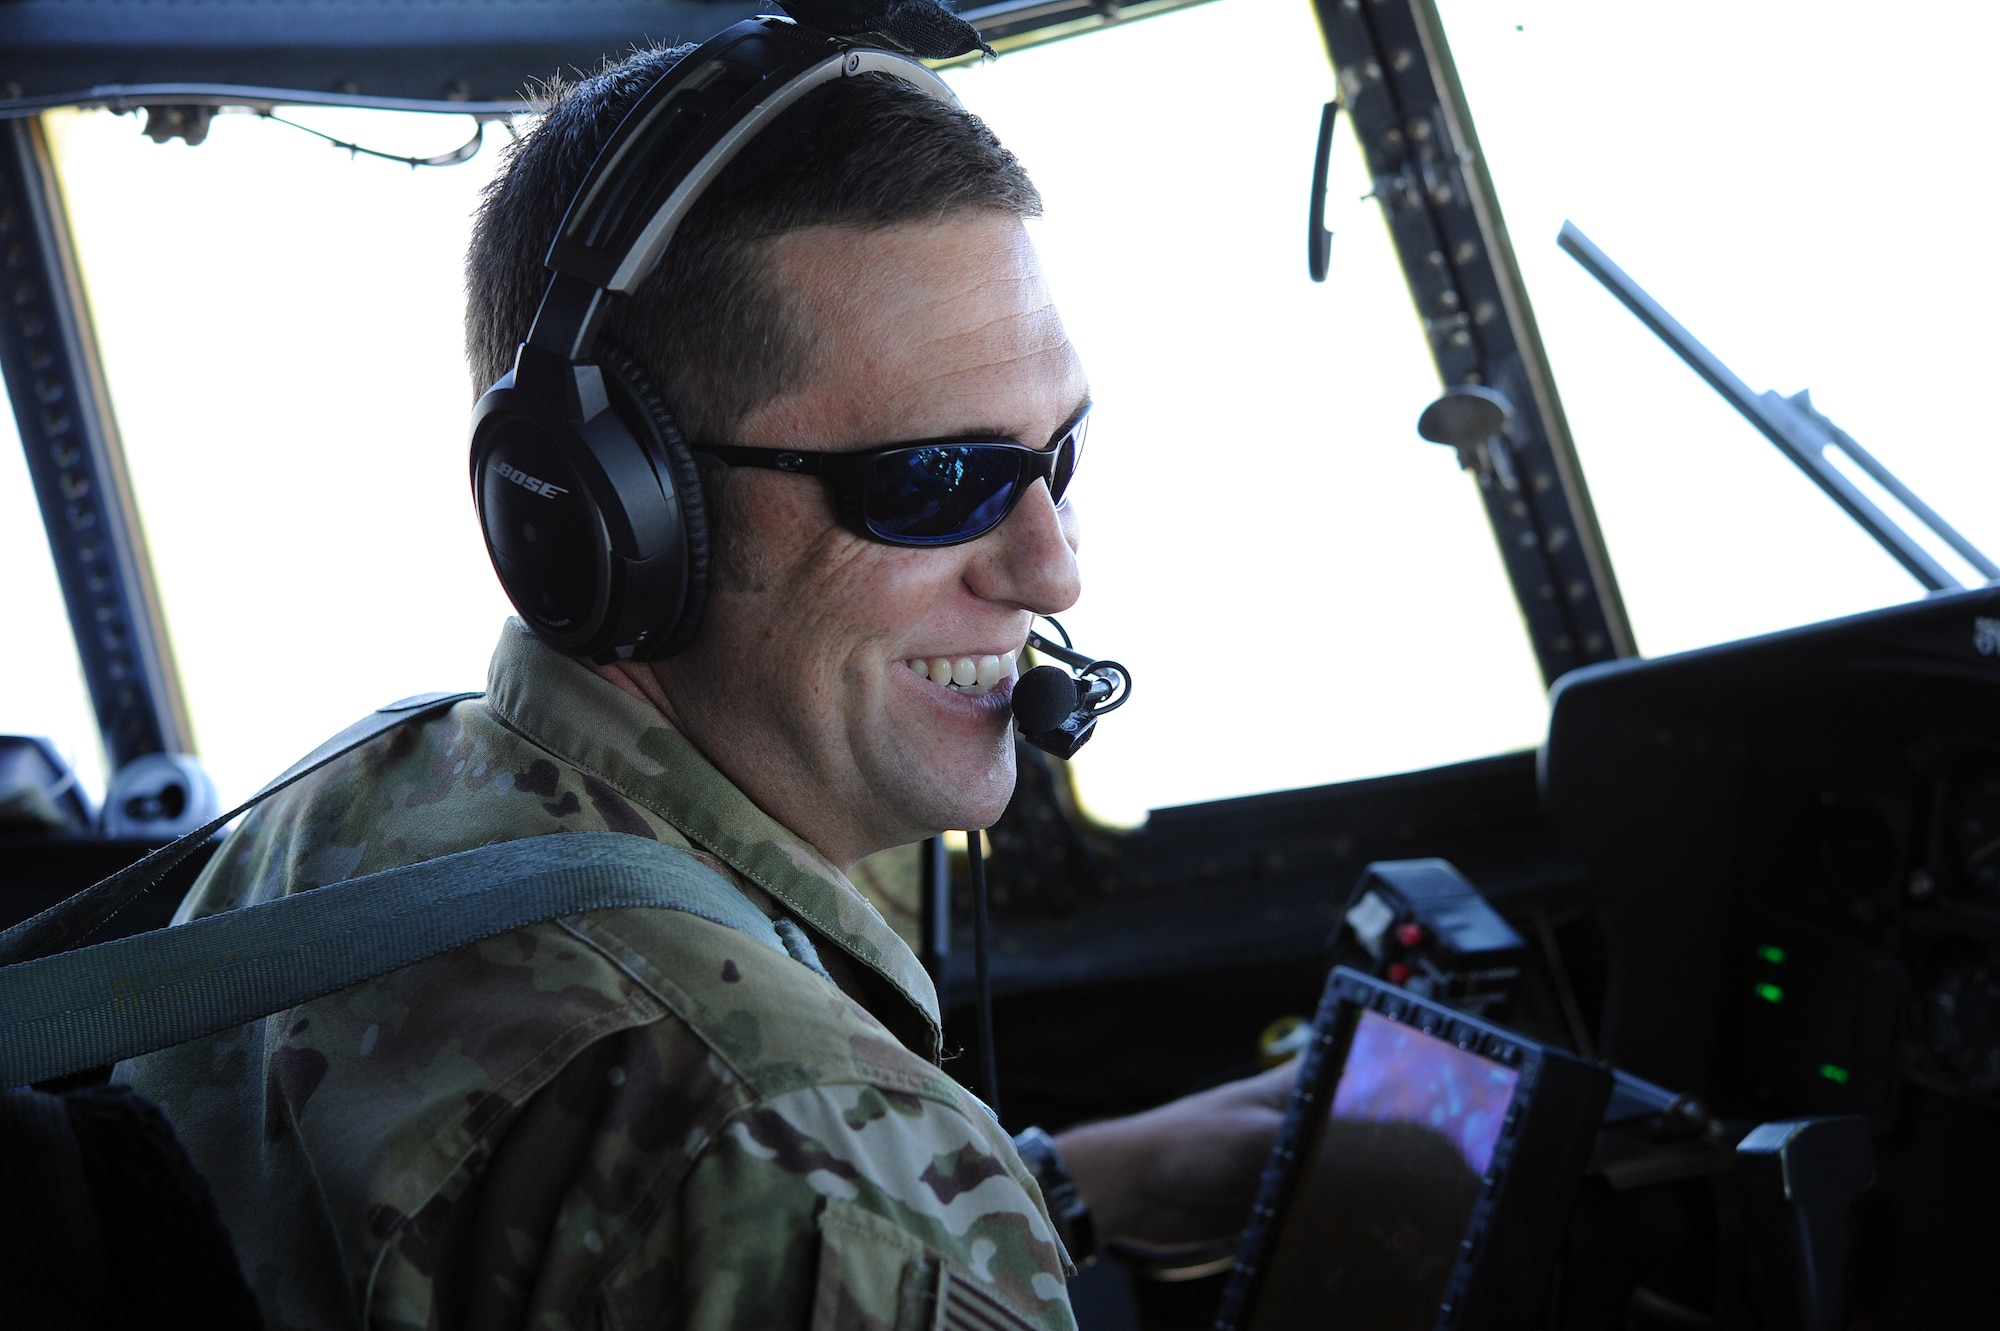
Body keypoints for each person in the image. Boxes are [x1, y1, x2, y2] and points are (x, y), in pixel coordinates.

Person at [121, 36, 1290, 1331]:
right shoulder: (797, 1153)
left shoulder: (358, 809)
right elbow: (747, 1181)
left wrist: (1047, 1195)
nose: (1052, 572)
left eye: (1056, 453)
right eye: (933, 482)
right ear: (610, 516)